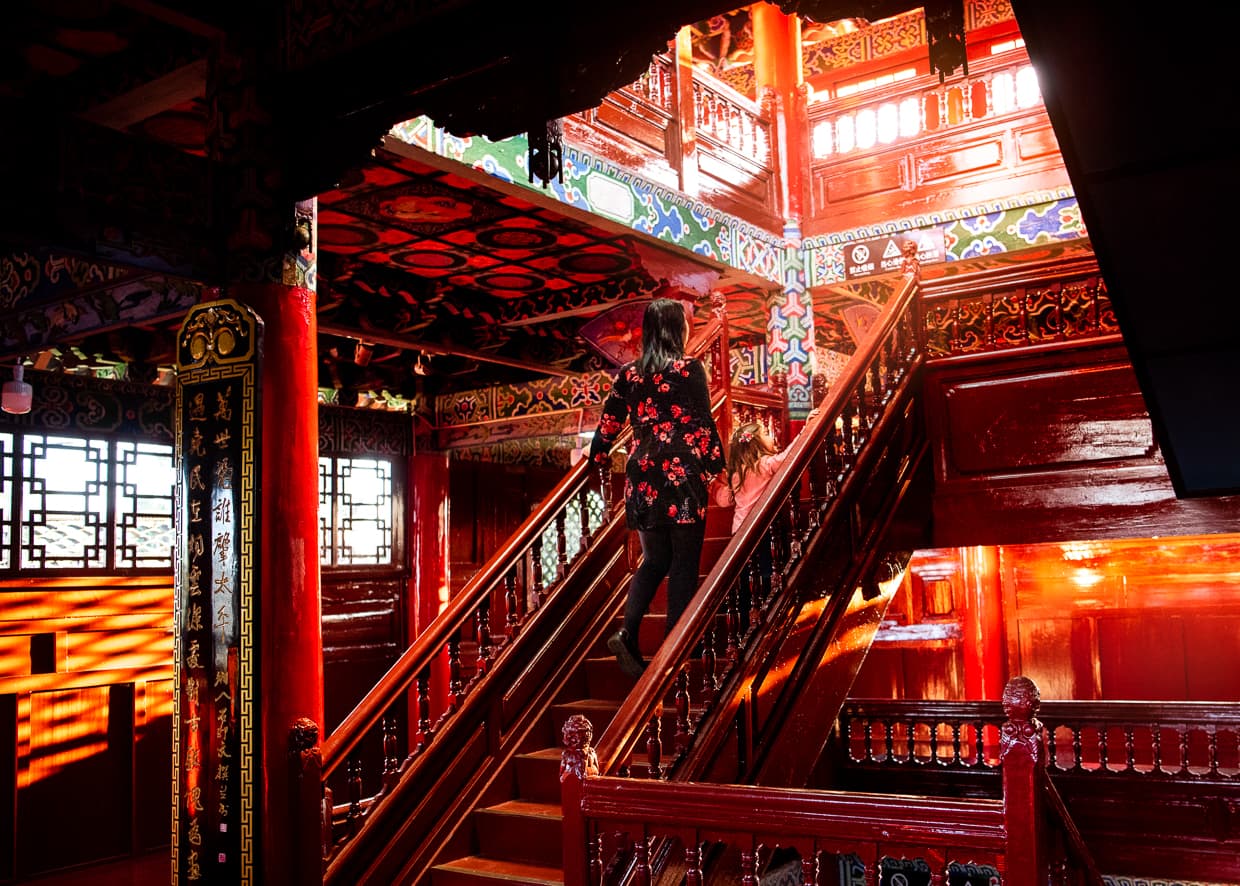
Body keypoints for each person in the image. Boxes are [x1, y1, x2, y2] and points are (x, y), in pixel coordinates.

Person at [589, 297, 725, 677]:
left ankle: (628, 633)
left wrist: (597, 461)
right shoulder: (688, 370)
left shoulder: (628, 374)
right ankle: (673, 650)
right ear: (675, 329)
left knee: (654, 560)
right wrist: (718, 468)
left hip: (643, 473)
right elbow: (702, 423)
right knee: (683, 564)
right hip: (680, 473)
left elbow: (607, 427)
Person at [712, 420, 794, 625]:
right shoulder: (764, 464)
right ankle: (768, 609)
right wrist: (805, 429)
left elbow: (724, 501)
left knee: (747, 574)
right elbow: (787, 457)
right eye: (766, 433)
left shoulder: (737, 474)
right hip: (761, 529)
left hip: (739, 533)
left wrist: (712, 485)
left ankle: (750, 612)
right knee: (766, 570)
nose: (770, 436)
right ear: (757, 442)